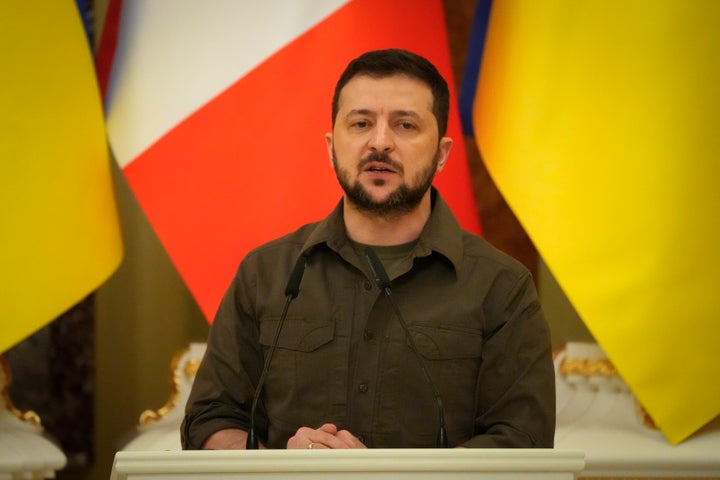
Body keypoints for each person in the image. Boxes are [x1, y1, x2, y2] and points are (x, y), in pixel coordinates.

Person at [181, 48, 555, 450]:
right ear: (330, 147)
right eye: (361, 123)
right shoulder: (265, 273)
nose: (380, 143)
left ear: (442, 154)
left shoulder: (501, 286)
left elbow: (523, 441)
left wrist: (394, 478)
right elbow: (208, 421)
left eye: (405, 125)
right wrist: (278, 465)